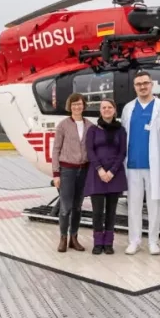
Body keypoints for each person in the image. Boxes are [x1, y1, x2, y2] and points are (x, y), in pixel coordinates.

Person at [120, 70, 160, 255]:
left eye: (145, 83)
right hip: (132, 165)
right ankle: (135, 240)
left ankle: (153, 241)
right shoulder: (128, 108)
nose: (142, 87)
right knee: (134, 205)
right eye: (139, 84)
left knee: (154, 205)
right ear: (134, 87)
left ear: (152, 84)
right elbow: (123, 135)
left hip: (153, 166)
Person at [51, 92, 94, 253]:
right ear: (70, 106)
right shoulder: (63, 125)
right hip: (67, 170)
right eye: (74, 104)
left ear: (84, 106)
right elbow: (56, 150)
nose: (77, 107)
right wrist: (56, 173)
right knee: (65, 207)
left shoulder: (90, 126)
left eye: (80, 104)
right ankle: (63, 238)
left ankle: (74, 238)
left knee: (77, 207)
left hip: (83, 170)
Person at [84, 98, 128, 255]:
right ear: (100, 111)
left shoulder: (121, 130)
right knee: (97, 211)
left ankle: (108, 243)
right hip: (97, 174)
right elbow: (90, 151)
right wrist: (100, 170)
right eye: (104, 107)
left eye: (110, 107)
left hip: (114, 174)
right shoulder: (93, 130)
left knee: (111, 211)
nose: (107, 110)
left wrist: (112, 171)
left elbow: (122, 152)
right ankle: (97, 243)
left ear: (114, 110)